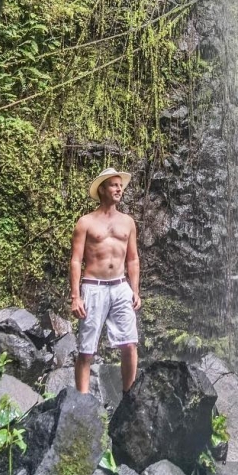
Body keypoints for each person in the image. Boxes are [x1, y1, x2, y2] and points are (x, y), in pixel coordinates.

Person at [70, 167, 141, 394]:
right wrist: (76, 297)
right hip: (94, 287)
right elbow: (75, 261)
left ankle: (128, 398)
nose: (119, 189)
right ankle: (82, 402)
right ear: (102, 189)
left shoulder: (128, 222)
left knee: (129, 343)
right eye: (114, 185)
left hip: (121, 287)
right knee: (86, 350)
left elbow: (133, 259)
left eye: (121, 185)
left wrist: (135, 290)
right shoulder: (85, 222)